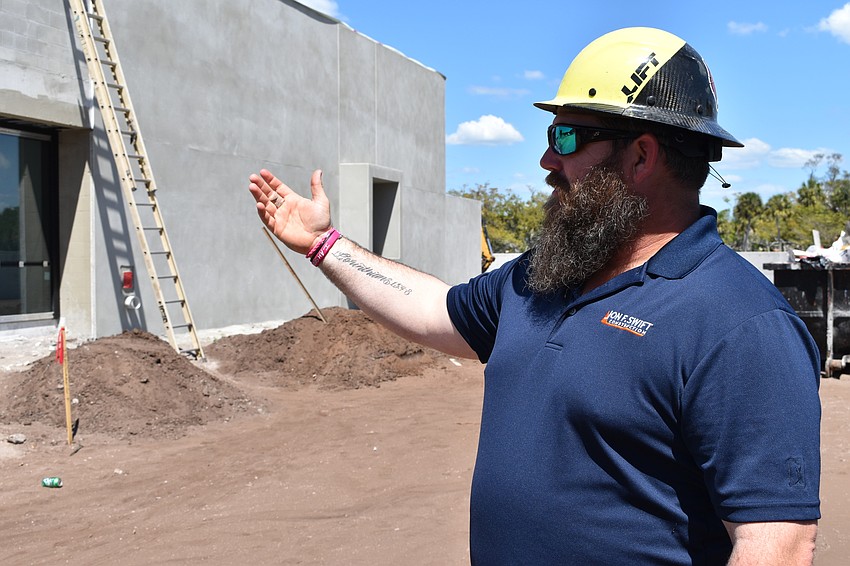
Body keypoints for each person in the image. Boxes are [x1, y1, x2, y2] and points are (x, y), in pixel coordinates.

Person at [248, 27, 821, 565]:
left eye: (566, 136)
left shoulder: (740, 323)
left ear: (642, 155)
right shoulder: (544, 276)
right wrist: (326, 245)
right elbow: (437, 310)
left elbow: (779, 544)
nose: (548, 161)